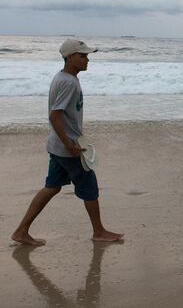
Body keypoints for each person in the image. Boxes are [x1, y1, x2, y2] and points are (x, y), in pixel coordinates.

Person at [11, 39, 124, 246]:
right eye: (83, 56)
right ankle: (99, 232)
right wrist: (70, 144)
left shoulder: (63, 77)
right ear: (70, 57)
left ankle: (21, 231)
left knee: (52, 187)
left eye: (87, 56)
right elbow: (55, 116)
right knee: (89, 188)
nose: (87, 59)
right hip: (67, 148)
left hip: (57, 146)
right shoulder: (68, 82)